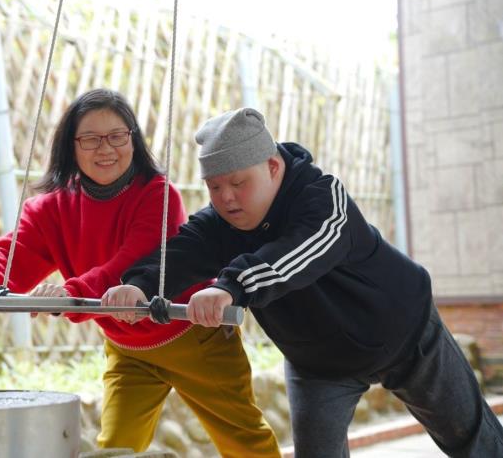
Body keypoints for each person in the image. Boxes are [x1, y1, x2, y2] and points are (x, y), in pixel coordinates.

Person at [105, 107, 503, 458]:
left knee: (472, 440)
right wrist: (139, 285)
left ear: (273, 167)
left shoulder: (324, 197)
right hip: (319, 365)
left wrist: (231, 286)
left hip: (404, 332)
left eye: (238, 183)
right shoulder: (221, 222)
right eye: (215, 186)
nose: (226, 198)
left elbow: (296, 254)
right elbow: (182, 251)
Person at [0, 91, 281, 457]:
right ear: (70, 147)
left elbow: (129, 268)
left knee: (246, 442)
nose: (105, 148)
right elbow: (13, 253)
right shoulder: (50, 208)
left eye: (117, 136)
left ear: (133, 141)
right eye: (90, 139)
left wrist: (69, 293)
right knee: (115, 449)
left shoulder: (159, 195)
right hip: (128, 348)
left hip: (193, 338)